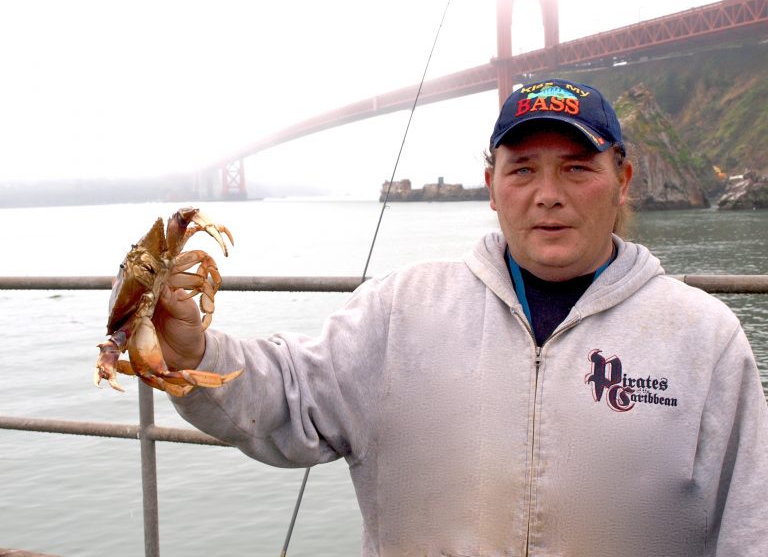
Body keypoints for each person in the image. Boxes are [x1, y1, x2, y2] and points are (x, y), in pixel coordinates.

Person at [154, 78, 768, 556]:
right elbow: (287, 396)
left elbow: (750, 525)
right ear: (491, 184)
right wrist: (192, 355)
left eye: (577, 168)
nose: (547, 193)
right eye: (522, 169)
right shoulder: (401, 310)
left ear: (623, 179)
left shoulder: (702, 337)